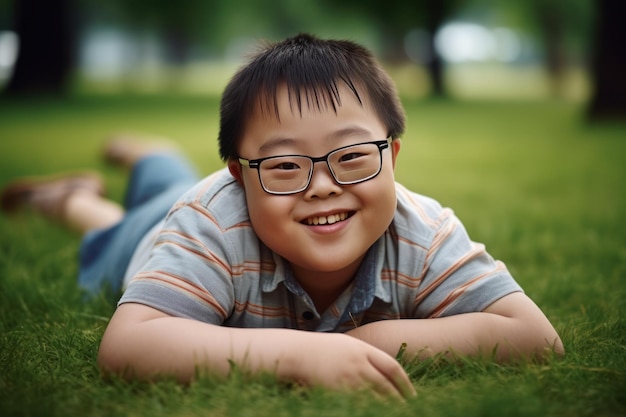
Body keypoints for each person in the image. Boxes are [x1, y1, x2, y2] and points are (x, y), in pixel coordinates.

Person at [0, 34, 563, 399]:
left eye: (351, 157)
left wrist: (373, 338)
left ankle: (146, 160)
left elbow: (536, 339)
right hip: (153, 235)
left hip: (202, 202)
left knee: (162, 184)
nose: (323, 186)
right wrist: (303, 352)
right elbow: (127, 347)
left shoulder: (423, 230)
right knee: (109, 230)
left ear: (391, 156)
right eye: (287, 164)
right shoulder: (210, 223)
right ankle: (77, 193)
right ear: (239, 177)